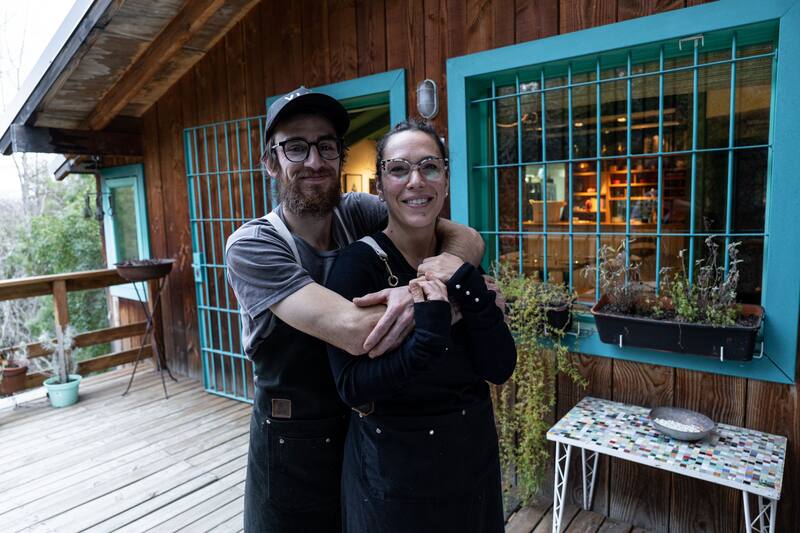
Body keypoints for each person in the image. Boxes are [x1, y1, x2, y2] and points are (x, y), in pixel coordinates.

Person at [224, 88, 485, 533]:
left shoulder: (357, 211)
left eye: (326, 146)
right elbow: (355, 329)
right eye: (295, 147)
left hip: (361, 431)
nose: (314, 161)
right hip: (291, 442)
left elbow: (467, 237)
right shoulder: (253, 246)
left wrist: (439, 281)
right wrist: (460, 298)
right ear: (271, 162)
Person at [326, 120, 517, 532]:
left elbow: (499, 366)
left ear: (445, 181)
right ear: (380, 187)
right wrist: (424, 341)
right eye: (398, 169)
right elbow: (351, 387)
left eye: (429, 167)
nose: (416, 181)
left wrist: (465, 282)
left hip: (471, 463)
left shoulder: (460, 262)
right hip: (392, 475)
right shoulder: (356, 265)